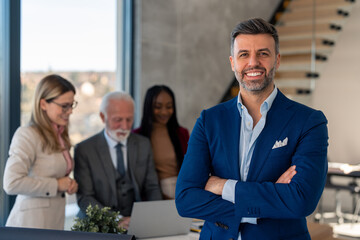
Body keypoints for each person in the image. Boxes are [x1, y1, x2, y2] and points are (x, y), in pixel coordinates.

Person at [175, 18, 328, 240]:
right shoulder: (210, 120)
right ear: (232, 62)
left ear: (277, 60)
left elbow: (301, 200)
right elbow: (186, 199)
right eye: (244, 54)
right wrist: (267, 201)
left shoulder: (309, 122)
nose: (253, 63)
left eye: (263, 54)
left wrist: (223, 186)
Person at [74, 91, 162, 230]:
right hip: (97, 227)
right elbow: (85, 198)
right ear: (103, 117)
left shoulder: (143, 144)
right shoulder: (84, 149)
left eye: (129, 119)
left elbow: (152, 187)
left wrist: (150, 217)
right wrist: (116, 220)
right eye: (118, 120)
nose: (125, 126)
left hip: (136, 224)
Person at [3, 74, 79, 230]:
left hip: (54, 221)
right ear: (43, 104)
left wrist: (69, 184)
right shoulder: (27, 134)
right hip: (30, 223)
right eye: (64, 106)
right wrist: (56, 184)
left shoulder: (60, 134)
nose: (70, 111)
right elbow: (11, 183)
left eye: (72, 105)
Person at [133, 85, 189, 199]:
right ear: (149, 107)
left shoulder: (182, 133)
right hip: (152, 195)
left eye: (169, 106)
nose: (164, 112)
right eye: (158, 107)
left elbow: (190, 167)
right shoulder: (137, 135)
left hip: (182, 192)